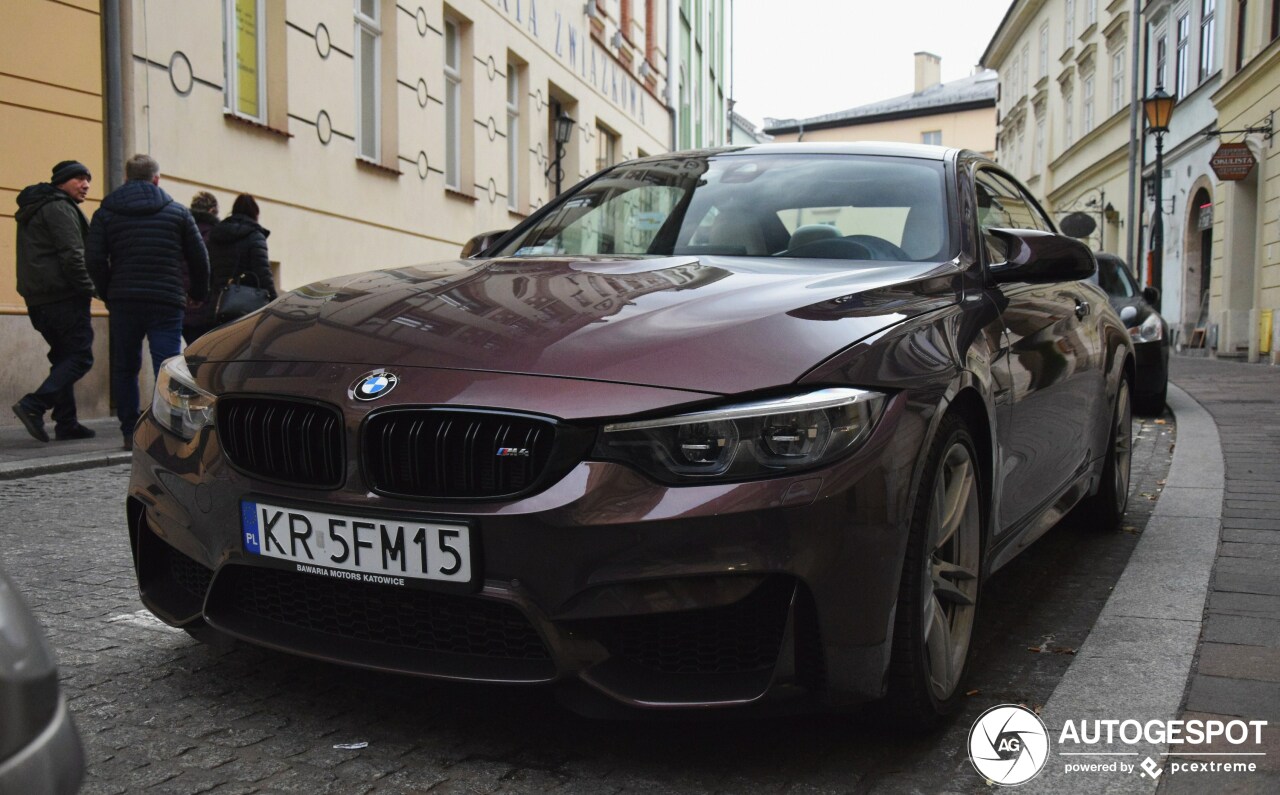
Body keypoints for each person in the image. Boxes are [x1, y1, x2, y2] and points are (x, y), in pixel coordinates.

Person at [86, 154, 209, 450]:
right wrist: (198, 293)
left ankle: (129, 431)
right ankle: (167, 430)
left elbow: (93, 258)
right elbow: (199, 258)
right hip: (166, 299)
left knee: (126, 366)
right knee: (166, 365)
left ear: (126, 178)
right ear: (156, 179)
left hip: (124, 299)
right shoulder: (177, 212)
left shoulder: (106, 212)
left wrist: (108, 291)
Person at [11, 160, 99, 443]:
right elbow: (73, 255)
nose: (86, 185)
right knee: (80, 356)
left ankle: (66, 422)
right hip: (64, 297)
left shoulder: (36, 206)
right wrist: (92, 289)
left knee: (63, 356)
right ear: (62, 181)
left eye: (88, 179)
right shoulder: (59, 207)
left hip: (40, 299)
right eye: (79, 179)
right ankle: (33, 405)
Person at [207, 193, 276, 325]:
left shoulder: (216, 234)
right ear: (255, 213)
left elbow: (209, 270)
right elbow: (263, 273)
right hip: (247, 306)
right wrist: (275, 302)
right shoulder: (255, 236)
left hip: (218, 304)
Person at [183, 191, 219, 344]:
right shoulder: (216, 234)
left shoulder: (182, 229)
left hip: (183, 300)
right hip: (206, 303)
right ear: (212, 211)